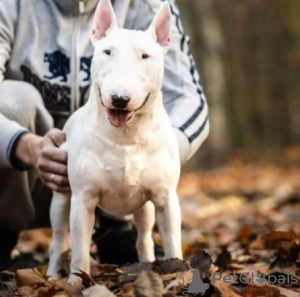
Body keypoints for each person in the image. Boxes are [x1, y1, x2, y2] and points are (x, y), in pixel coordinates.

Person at [0, 0, 209, 269]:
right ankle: (4, 228)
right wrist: (23, 145)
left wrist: (161, 152)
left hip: (129, 182)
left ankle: (117, 229)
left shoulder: (149, 5)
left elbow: (189, 99)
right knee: (14, 100)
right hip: (32, 177)